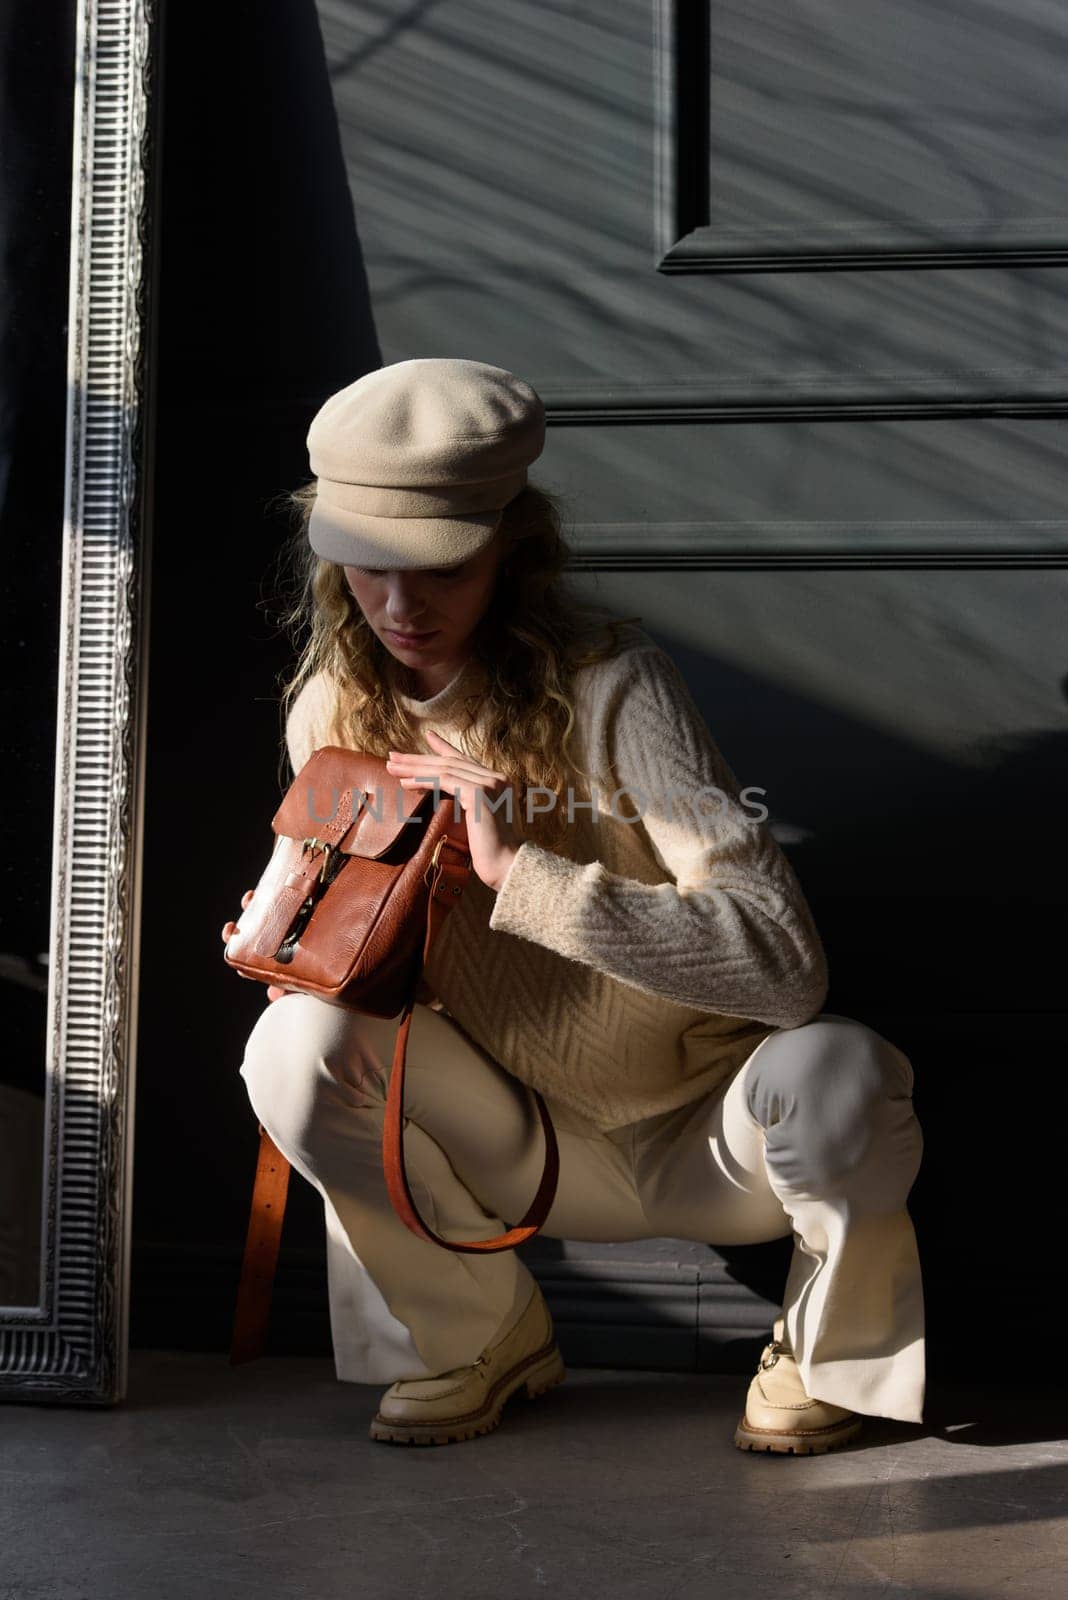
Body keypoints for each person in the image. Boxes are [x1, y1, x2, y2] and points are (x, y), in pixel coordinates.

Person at [225, 357, 925, 1455]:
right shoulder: (331, 708)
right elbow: (381, 977)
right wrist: (303, 937)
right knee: (289, 1045)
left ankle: (830, 1352)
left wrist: (522, 874)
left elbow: (788, 968)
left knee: (840, 1070)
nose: (400, 606)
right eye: (367, 566)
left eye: (440, 568)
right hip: (526, 1138)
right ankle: (478, 1333)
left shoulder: (617, 688)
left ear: (511, 545)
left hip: (713, 1137)